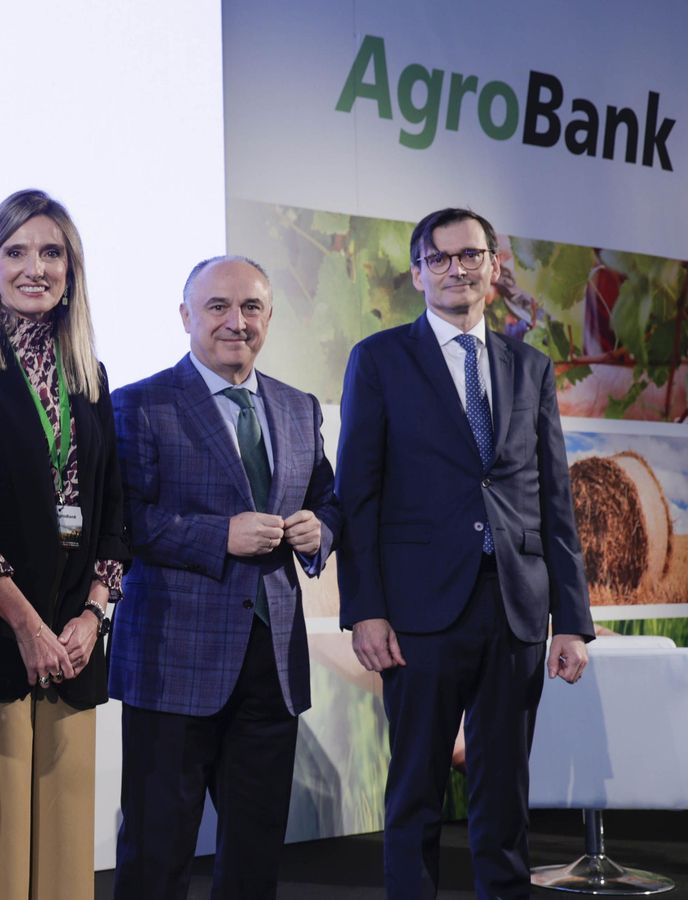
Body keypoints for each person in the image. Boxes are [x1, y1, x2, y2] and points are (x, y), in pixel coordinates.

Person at [337, 207, 594, 898]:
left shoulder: (530, 367)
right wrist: (365, 609)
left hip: (516, 609)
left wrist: (571, 620)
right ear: (418, 273)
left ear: (493, 266)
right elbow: (357, 494)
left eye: (471, 255)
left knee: (505, 795)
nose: (457, 269)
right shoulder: (379, 360)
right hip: (418, 614)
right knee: (416, 791)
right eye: (441, 258)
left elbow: (554, 499)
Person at [0, 189, 130, 900]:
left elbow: (112, 509)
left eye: (51, 253)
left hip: (74, 644)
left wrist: (92, 615)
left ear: (71, 271)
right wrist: (25, 624)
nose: (34, 268)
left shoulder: (90, 373)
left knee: (65, 847)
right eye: (16, 252)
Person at [111, 255, 339, 898]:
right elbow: (124, 521)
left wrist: (321, 530)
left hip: (273, 663)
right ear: (186, 316)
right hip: (172, 662)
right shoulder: (139, 403)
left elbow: (329, 499)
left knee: (254, 855)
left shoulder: (298, 407)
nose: (236, 321)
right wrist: (220, 535)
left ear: (268, 317)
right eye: (218, 307)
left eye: (251, 307)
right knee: (156, 853)